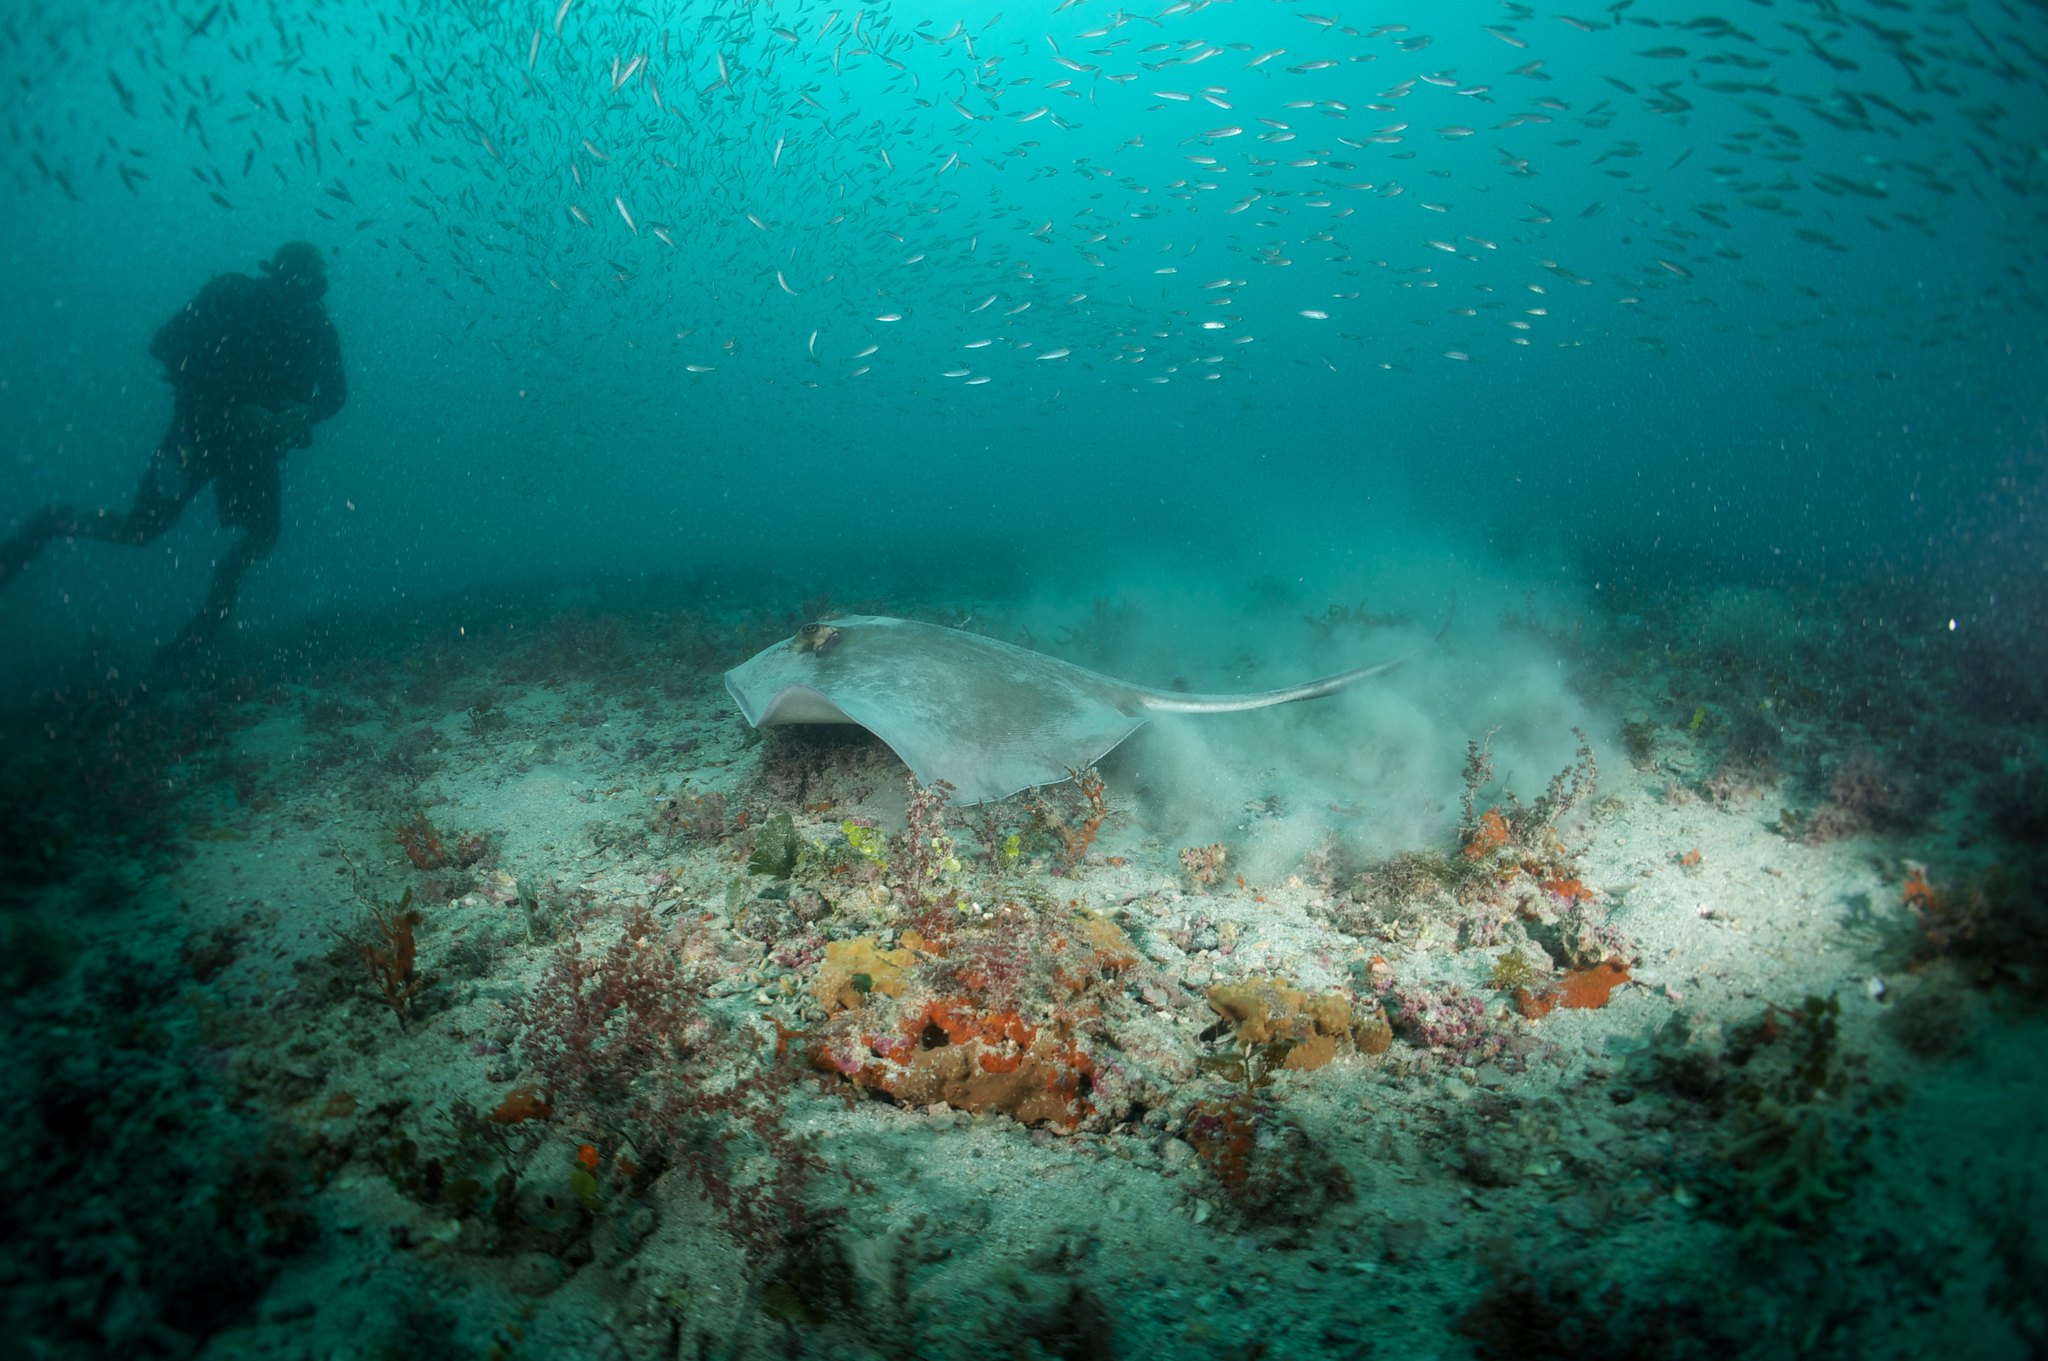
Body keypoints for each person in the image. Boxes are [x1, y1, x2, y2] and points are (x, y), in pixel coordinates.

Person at [0, 241, 347, 657]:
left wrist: (306, 413)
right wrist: (232, 406)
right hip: (195, 438)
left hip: (255, 450)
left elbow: (336, 395)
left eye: (309, 287)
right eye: (291, 282)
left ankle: (198, 634)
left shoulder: (317, 329)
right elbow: (164, 345)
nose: (297, 295)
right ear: (273, 274)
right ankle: (53, 523)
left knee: (263, 534)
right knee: (141, 528)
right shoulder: (231, 297)